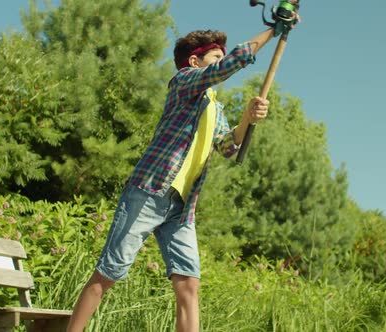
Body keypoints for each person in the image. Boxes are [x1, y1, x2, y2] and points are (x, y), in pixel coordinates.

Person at [67, 27, 278, 332]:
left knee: (189, 285)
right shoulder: (183, 83)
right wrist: (274, 30)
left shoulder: (214, 108)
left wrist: (248, 117)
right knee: (108, 273)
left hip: (182, 207)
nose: (221, 60)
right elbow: (230, 64)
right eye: (215, 55)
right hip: (149, 192)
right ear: (194, 62)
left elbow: (228, 146)